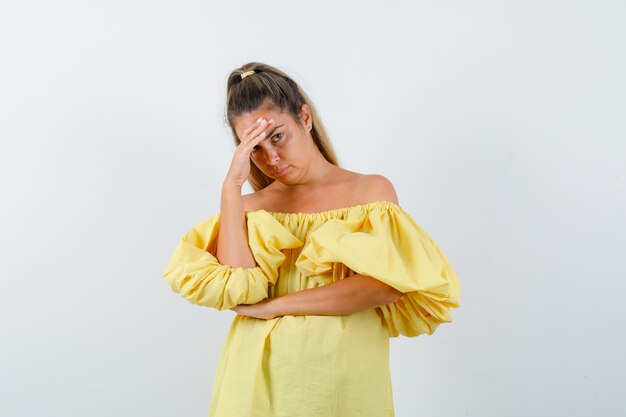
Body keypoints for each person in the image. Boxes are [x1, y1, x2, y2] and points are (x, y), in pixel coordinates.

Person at [162, 62, 461, 417]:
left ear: (305, 118)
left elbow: (385, 286)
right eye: (254, 148)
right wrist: (230, 188)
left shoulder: (369, 192)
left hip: (342, 381)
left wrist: (276, 306)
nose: (271, 158)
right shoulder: (248, 208)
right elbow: (237, 288)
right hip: (254, 381)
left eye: (277, 136)